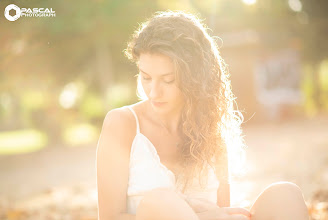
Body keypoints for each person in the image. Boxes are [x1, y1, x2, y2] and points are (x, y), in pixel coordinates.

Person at [96, 10, 309, 220]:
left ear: (195, 78)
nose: (154, 92)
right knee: (159, 203)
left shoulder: (211, 131)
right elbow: (108, 217)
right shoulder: (122, 124)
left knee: (285, 195)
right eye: (146, 77)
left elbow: (222, 211)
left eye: (168, 80)